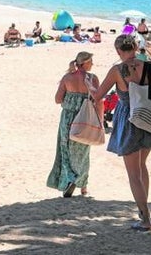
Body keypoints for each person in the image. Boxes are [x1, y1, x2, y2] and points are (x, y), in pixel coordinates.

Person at [91, 34, 151, 231]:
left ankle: (145, 219)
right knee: (142, 166)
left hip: (130, 120)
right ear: (136, 47)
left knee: (133, 173)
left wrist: (90, 87)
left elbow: (98, 96)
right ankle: (143, 211)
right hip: (150, 119)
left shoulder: (117, 70)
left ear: (119, 51)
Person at [47, 51, 100, 198]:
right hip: (85, 117)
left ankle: (68, 182)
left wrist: (70, 97)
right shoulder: (92, 78)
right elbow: (98, 99)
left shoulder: (67, 78)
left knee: (66, 151)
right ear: (85, 63)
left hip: (68, 117)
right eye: (91, 62)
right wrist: (100, 120)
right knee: (83, 151)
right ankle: (83, 187)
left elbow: (58, 99)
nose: (92, 64)